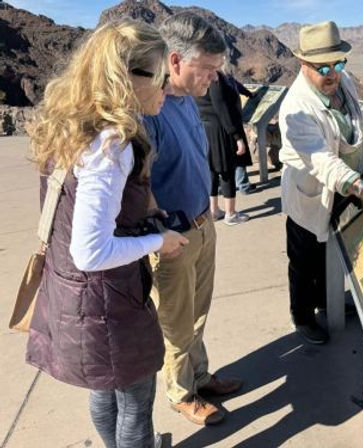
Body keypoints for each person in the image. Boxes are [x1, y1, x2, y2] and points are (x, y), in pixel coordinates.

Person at [25, 19, 189, 448]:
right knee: (135, 400)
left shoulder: (76, 124)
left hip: (74, 296)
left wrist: (144, 209)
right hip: (105, 302)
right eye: (160, 77)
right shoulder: (111, 143)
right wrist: (160, 240)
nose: (167, 88)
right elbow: (91, 251)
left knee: (104, 388)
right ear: (128, 78)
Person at [279, 21, 363, 344]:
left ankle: (328, 301)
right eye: (322, 66)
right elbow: (322, 163)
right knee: (304, 258)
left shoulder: (342, 80)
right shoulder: (296, 109)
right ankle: (303, 315)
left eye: (337, 63)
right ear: (302, 64)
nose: (331, 73)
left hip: (347, 191)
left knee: (333, 255)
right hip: (312, 197)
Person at [143, 12, 242, 426]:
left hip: (203, 225)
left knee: (198, 312)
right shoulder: (150, 109)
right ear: (176, 60)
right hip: (174, 238)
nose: (214, 79)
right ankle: (182, 393)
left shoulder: (184, 100)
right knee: (176, 320)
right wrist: (160, 232)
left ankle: (199, 375)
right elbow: (139, 183)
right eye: (207, 70)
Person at [197, 67, 252, 225]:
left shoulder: (200, 75)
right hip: (221, 130)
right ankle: (231, 213)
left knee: (212, 171)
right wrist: (237, 136)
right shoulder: (215, 78)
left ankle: (214, 211)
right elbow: (222, 109)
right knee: (227, 170)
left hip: (206, 129)